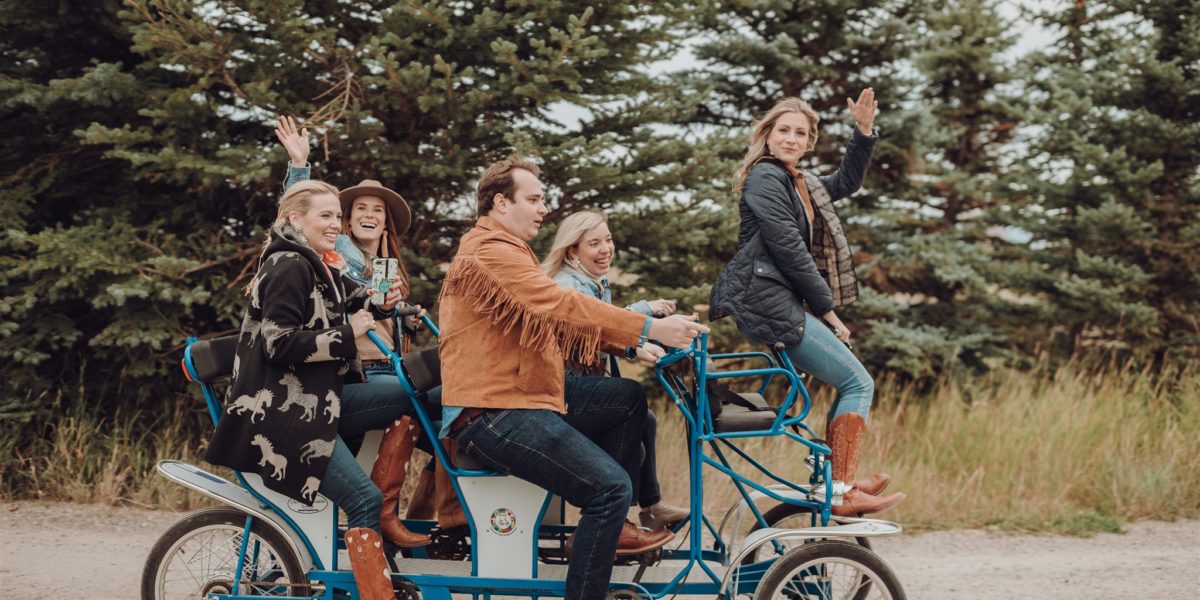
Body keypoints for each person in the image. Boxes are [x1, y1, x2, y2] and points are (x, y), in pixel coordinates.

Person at [438, 156, 709, 600]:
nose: (544, 208)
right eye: (535, 199)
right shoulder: (491, 251)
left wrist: (628, 344)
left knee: (624, 398)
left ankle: (616, 528)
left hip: (521, 396)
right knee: (610, 488)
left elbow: (561, 324)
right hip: (494, 410)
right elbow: (558, 303)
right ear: (501, 203)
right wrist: (648, 327)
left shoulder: (503, 247)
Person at [204, 180, 409, 599]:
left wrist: (383, 303)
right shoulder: (287, 265)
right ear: (296, 219)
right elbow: (278, 344)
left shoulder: (319, 264)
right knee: (363, 500)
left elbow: (360, 299)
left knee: (411, 396)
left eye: (338, 216)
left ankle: (390, 522)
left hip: (321, 401)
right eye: (326, 216)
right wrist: (346, 334)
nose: (336, 224)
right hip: (283, 415)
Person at [709, 90, 905, 516]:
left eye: (801, 133)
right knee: (859, 382)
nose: (792, 139)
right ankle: (843, 490)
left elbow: (845, 183)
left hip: (778, 299)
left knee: (854, 381)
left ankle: (841, 481)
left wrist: (864, 132)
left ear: (810, 140)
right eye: (784, 130)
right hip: (769, 300)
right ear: (768, 134)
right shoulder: (765, 177)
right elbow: (787, 248)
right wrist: (829, 311)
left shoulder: (798, 183)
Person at [275, 116, 438, 548]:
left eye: (377, 211)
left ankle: (434, 516)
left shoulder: (387, 263)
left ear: (386, 224)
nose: (368, 215)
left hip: (382, 361)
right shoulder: (336, 251)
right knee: (416, 401)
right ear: (346, 221)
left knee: (441, 414)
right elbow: (297, 220)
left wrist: (403, 314)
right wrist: (299, 167)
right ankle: (387, 515)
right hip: (355, 368)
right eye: (359, 209)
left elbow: (373, 305)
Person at [542, 210, 689, 530]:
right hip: (563, 390)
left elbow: (604, 323)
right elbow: (592, 328)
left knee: (646, 419)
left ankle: (651, 505)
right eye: (594, 243)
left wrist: (636, 343)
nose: (605, 249)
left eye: (607, 240)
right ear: (572, 251)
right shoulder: (568, 285)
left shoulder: (591, 281)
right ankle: (614, 519)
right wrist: (638, 336)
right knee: (630, 402)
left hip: (580, 383)